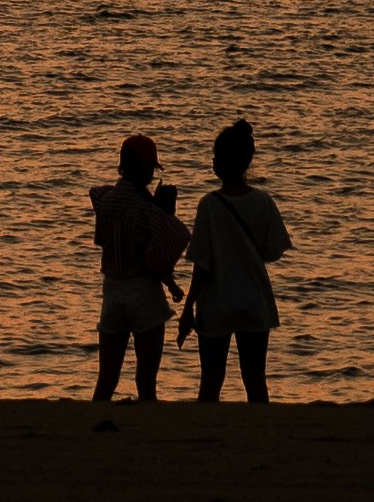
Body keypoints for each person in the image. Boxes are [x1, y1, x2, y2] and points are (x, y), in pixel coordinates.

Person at [187, 116, 290, 403]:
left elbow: (202, 265)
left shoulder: (209, 204)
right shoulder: (263, 202)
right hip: (254, 301)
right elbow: (273, 252)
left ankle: (206, 429)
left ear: (218, 163)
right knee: (255, 378)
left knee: (211, 379)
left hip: (216, 303)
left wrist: (187, 308)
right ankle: (261, 431)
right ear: (248, 161)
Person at [89, 127, 186, 403]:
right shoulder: (148, 210)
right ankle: (148, 426)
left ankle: (93, 422)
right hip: (143, 293)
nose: (153, 173)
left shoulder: (105, 201)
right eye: (151, 167)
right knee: (145, 379)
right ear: (144, 167)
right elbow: (156, 257)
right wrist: (166, 214)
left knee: (106, 378)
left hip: (112, 292)